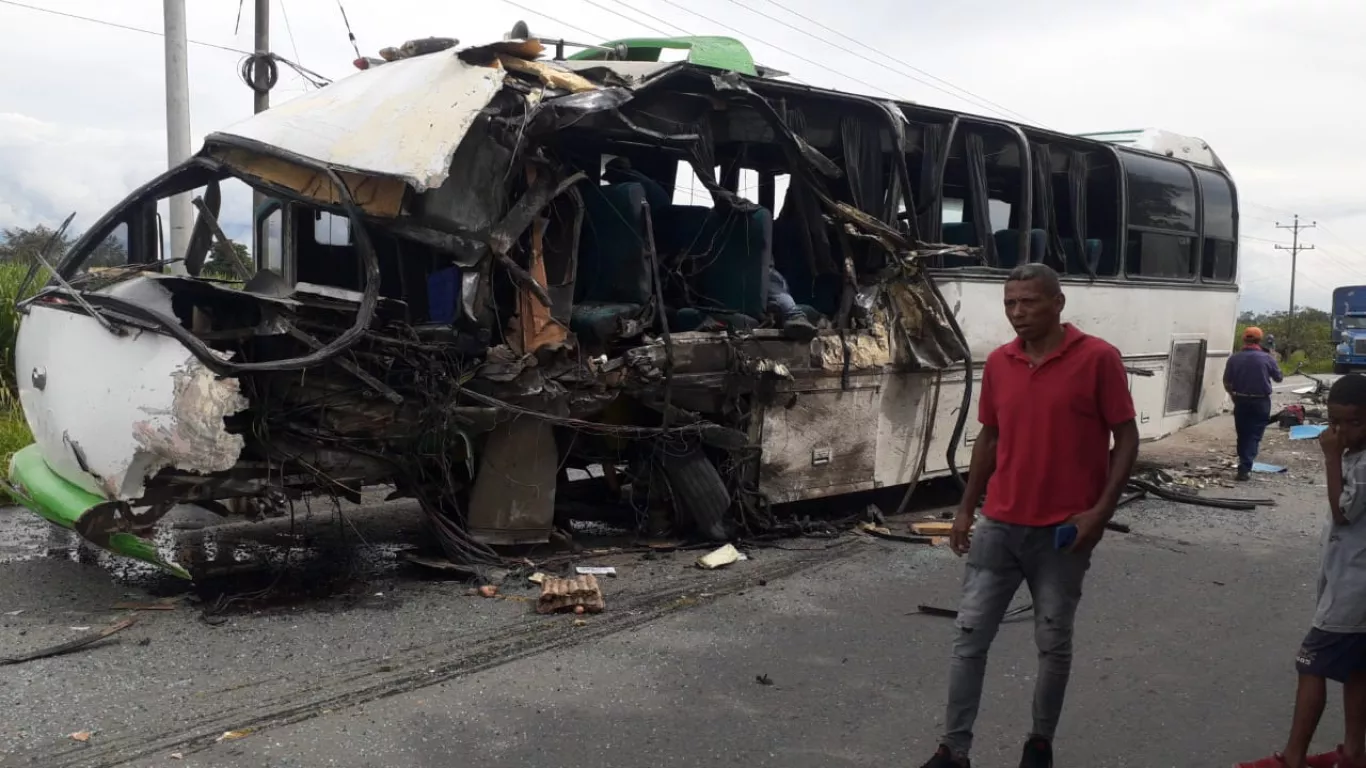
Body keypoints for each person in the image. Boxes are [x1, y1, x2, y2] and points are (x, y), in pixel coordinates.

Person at [919, 263, 1139, 768]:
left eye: (1029, 302)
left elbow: (1126, 437)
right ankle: (954, 749)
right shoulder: (999, 362)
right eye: (1010, 304)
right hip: (999, 524)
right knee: (969, 638)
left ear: (1058, 303)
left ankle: (1039, 743)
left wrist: (1100, 512)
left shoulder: (1099, 359)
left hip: (1064, 532)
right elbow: (989, 439)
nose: (1018, 313)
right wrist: (965, 510)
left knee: (1052, 642)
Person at [1235, 374, 1366, 768]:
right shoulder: (1354, 455)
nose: (1341, 431)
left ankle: (1293, 757)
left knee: (1310, 663)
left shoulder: (1361, 465)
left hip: (1355, 588)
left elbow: (1343, 513)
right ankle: (1355, 753)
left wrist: (1328, 458)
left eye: (1353, 422)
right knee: (1358, 669)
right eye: (1335, 422)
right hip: (1349, 580)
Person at [1224, 327, 1284, 481]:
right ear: (1259, 340)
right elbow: (1278, 378)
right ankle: (1245, 467)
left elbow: (1226, 382)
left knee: (1242, 434)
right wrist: (1274, 360)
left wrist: (1233, 396)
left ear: (1244, 339)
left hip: (1241, 400)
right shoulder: (1267, 358)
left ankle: (1244, 464)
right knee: (1254, 435)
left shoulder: (1234, 358)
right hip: (1260, 401)